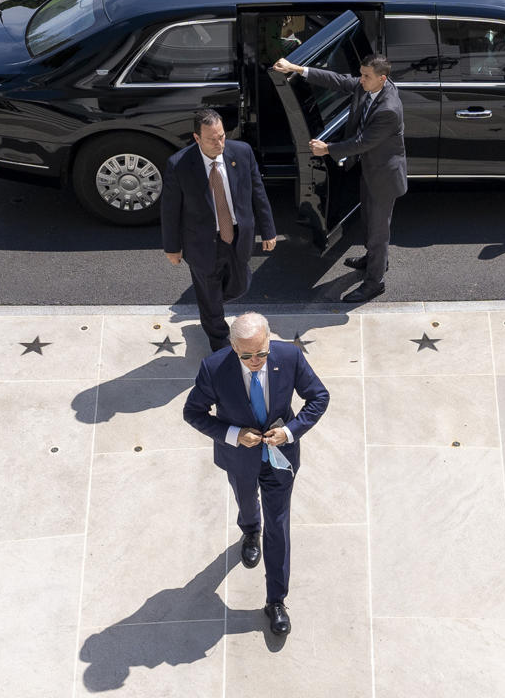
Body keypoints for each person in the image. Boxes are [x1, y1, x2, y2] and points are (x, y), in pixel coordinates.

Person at [182, 312, 328, 638]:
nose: (254, 361)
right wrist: (234, 434)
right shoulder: (214, 369)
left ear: (268, 341)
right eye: (246, 355)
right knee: (247, 503)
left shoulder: (289, 356)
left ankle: (276, 601)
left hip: (280, 459)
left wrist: (290, 432)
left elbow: (319, 397)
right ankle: (250, 531)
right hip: (239, 459)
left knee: (279, 526)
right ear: (233, 347)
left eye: (261, 353)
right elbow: (192, 412)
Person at [271, 53, 406, 302]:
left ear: (382, 79)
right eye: (361, 73)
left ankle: (375, 282)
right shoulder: (371, 85)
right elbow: (337, 80)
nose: (360, 79)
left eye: (365, 76)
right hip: (371, 170)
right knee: (368, 220)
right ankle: (375, 260)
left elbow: (362, 142)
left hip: (383, 178)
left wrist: (328, 149)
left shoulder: (388, 110)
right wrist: (297, 68)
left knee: (378, 231)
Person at [161, 110, 279, 349]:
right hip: (202, 243)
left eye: (222, 136)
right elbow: (170, 210)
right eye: (212, 139)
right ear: (197, 138)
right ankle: (219, 343)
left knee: (240, 285)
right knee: (211, 297)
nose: (219, 143)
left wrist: (268, 230)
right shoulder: (179, 165)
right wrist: (172, 248)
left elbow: (258, 192)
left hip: (237, 237)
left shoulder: (242, 153)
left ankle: (210, 303)